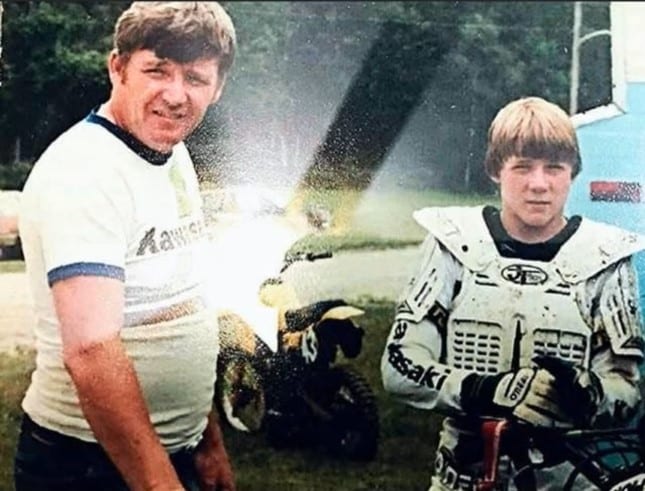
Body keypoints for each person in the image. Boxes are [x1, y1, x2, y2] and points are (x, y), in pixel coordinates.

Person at [14, 2, 237, 490]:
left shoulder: (171, 154)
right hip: (87, 464)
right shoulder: (87, 170)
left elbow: (186, 304)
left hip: (171, 449)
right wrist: (160, 483)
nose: (176, 96)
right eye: (157, 71)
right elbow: (92, 350)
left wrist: (207, 440)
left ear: (217, 87)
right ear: (118, 68)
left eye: (196, 79)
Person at [380, 96, 645, 490]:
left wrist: (585, 392)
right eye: (522, 167)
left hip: (565, 479)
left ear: (573, 173)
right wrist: (488, 389)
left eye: (554, 168)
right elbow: (399, 365)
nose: (538, 184)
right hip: (463, 477)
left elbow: (628, 393)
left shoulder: (605, 259)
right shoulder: (453, 245)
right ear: (495, 170)